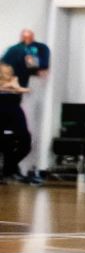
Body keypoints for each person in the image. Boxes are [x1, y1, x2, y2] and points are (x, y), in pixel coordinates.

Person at [2, 29, 51, 181]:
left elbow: (36, 69)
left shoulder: (17, 65)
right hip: (6, 106)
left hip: (13, 105)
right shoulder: (15, 53)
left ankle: (9, 169)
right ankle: (8, 170)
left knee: (22, 140)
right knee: (11, 140)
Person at [0, 63, 32, 183]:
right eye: (5, 72)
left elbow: (24, 90)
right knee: (5, 143)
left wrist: (13, 87)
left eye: (9, 72)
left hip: (16, 115)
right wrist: (8, 87)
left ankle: (9, 168)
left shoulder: (14, 80)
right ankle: (8, 171)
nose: (8, 74)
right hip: (2, 116)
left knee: (25, 142)